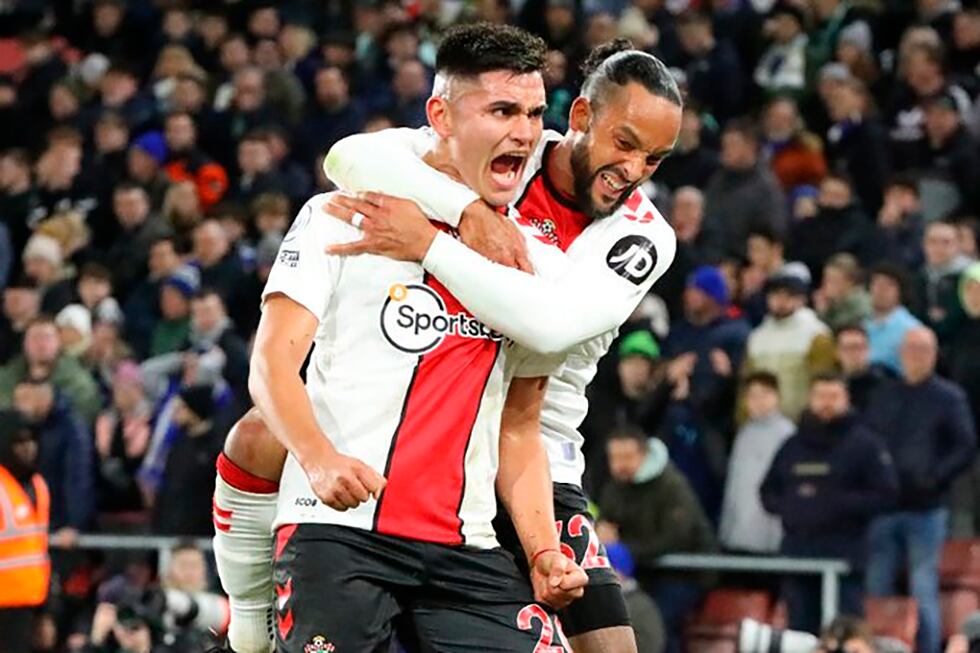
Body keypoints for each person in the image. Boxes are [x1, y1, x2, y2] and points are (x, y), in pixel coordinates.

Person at [215, 33, 682, 653]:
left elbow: (546, 327)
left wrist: (431, 242)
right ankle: (248, 629)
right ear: (580, 117)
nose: (635, 171)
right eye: (625, 144)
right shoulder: (506, 159)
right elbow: (349, 157)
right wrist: (468, 214)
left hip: (532, 450)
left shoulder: (639, 235)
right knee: (261, 431)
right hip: (382, 494)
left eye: (655, 159)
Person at [864, 327, 977, 653]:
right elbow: (868, 441)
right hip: (884, 505)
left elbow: (965, 445)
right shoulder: (884, 394)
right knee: (877, 586)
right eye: (911, 349)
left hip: (927, 508)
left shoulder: (949, 397)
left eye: (924, 350)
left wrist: (935, 477)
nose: (917, 356)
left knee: (923, 586)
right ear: (901, 354)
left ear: (934, 355)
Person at [761, 374, 898, 632]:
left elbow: (886, 494)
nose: (826, 403)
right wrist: (793, 506)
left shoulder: (865, 444)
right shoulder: (792, 445)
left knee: (845, 630)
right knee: (800, 632)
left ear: (846, 399)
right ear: (810, 399)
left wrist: (838, 504)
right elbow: (768, 491)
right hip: (798, 555)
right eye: (820, 396)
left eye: (833, 396)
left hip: (844, 556)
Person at [598, 427, 717, 653]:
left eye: (627, 457)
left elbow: (676, 538)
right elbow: (606, 525)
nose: (621, 465)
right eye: (615, 458)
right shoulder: (614, 488)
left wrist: (623, 549)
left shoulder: (672, 486)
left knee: (659, 624)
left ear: (643, 454)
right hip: (639, 575)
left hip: (683, 574)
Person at [743, 263, 836, 421]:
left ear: (801, 299)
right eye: (775, 295)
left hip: (803, 423)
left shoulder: (816, 334)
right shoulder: (757, 337)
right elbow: (747, 383)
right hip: (762, 421)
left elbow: (822, 382)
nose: (781, 301)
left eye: (789, 295)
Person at [720, 371, 794, 555]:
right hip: (738, 535)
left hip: (772, 539)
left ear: (777, 397)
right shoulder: (744, 433)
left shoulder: (787, 435)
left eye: (765, 394)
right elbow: (734, 487)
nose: (758, 401)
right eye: (752, 396)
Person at [0, 411, 50, 653]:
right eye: (18, 442)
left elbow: (40, 551)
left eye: (31, 441)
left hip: (29, 602)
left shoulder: (38, 486)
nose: (28, 448)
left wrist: (45, 609)